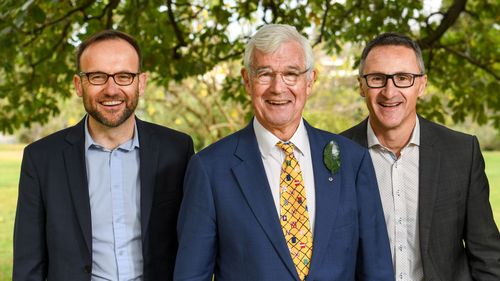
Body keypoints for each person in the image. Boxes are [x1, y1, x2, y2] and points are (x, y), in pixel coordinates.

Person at [173, 24, 393, 281]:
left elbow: (377, 272)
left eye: (291, 74)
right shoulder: (209, 169)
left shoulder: (352, 161)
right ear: (247, 81)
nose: (278, 88)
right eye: (265, 74)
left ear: (310, 81)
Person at [13, 30, 194, 281]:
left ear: (141, 83)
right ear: (79, 85)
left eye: (124, 76)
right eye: (97, 77)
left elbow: (194, 245)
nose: (111, 89)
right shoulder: (41, 159)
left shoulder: (177, 150)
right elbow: (28, 264)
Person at [341, 32, 500, 280]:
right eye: (377, 78)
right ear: (362, 85)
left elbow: (488, 257)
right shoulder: (335, 155)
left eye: (403, 78)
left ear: (422, 85)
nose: (389, 91)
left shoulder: (461, 153)